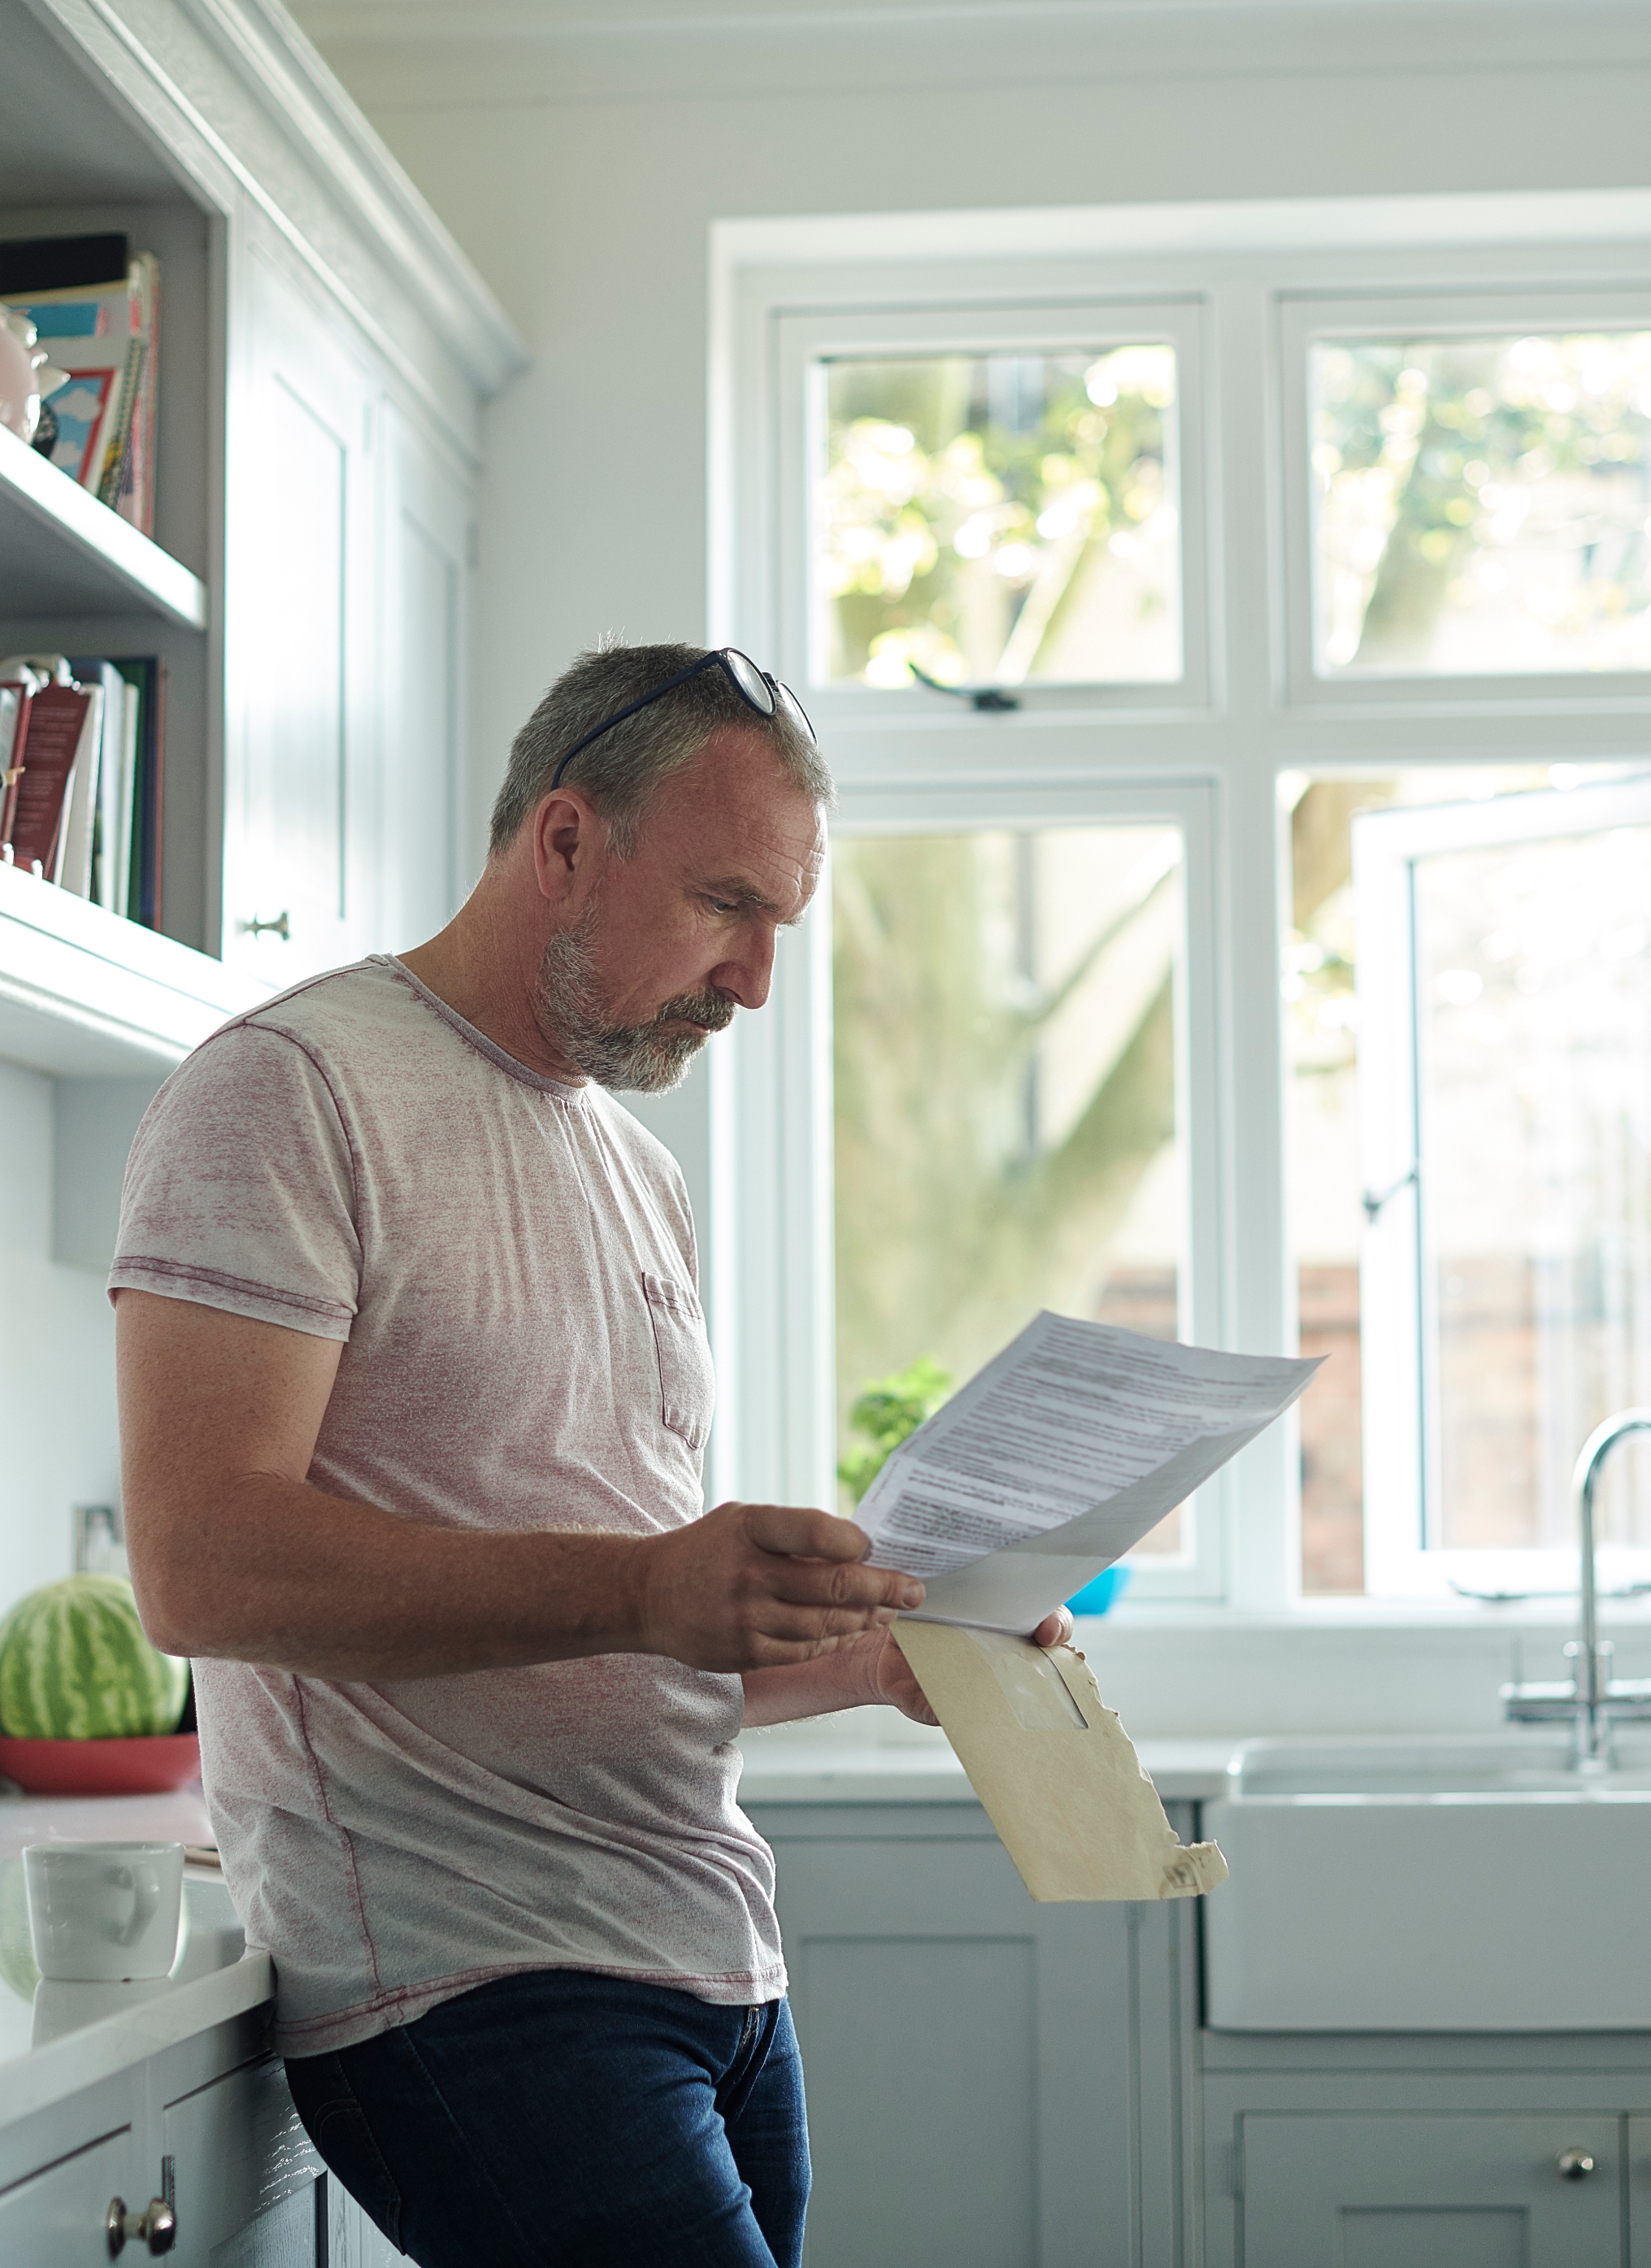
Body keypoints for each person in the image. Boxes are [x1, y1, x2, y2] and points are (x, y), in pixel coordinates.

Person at [108, 642, 1064, 2268]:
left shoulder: (632, 1165)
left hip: (716, 1969)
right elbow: (201, 1568)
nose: (754, 981)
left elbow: (624, 1631)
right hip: (477, 1986)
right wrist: (645, 1582)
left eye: (779, 925)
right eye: (724, 906)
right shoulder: (289, 1092)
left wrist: (883, 1654)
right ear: (563, 842)